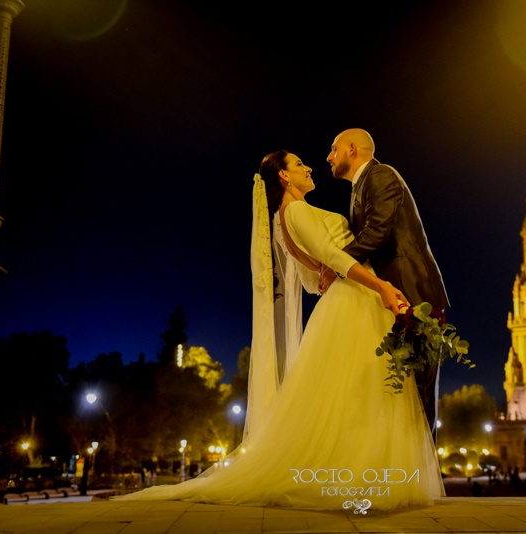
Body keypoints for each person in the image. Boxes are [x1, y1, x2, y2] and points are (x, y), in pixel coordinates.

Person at [112, 150, 444, 510]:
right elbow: (333, 259)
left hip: (347, 299)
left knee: (353, 394)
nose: (310, 167)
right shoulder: (297, 211)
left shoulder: (286, 218)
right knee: (365, 391)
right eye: (300, 164)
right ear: (284, 177)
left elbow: (311, 279)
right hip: (357, 299)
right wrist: (380, 286)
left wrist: (337, 274)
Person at [321, 128, 449, 441]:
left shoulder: (381, 176)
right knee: (404, 392)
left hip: (414, 293)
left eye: (334, 149)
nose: (328, 157)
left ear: (352, 149)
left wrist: (336, 265)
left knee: (419, 391)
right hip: (393, 297)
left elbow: (377, 234)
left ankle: (424, 479)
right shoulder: (359, 188)